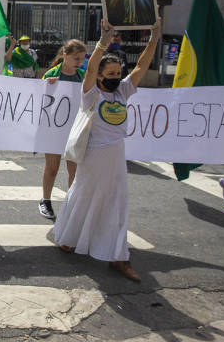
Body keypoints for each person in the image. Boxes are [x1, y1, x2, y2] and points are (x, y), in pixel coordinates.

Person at [53, 18, 160, 283]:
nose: (115, 78)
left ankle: (117, 257)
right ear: (99, 75)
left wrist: (154, 38)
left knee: (116, 204)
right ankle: (68, 238)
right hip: (93, 158)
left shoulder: (123, 91)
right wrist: (103, 41)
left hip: (116, 158)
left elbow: (140, 67)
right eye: (109, 74)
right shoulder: (90, 94)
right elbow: (89, 70)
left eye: (117, 74)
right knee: (83, 196)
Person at [38, 39, 87, 220]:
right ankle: (45, 200)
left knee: (74, 169)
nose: (79, 62)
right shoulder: (52, 74)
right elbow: (38, 99)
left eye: (82, 59)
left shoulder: (82, 76)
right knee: (52, 167)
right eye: (76, 58)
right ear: (65, 55)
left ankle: (71, 203)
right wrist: (46, 86)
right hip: (53, 129)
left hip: (75, 130)